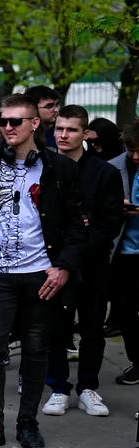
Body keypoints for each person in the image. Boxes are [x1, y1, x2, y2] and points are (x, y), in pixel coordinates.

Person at [0, 94, 85, 448]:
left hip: (42, 275)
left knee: (36, 348)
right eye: (3, 121)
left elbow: (77, 225)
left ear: (34, 124)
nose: (8, 127)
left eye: (16, 121)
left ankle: (27, 423)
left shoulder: (60, 168)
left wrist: (63, 267)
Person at [41, 105, 124, 417]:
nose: (63, 135)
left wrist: (73, 254)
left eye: (71, 129)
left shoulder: (105, 173)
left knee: (92, 327)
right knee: (55, 327)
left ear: (86, 133)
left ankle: (88, 387)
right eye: (59, 129)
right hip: (51, 262)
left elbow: (109, 223)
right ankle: (58, 388)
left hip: (92, 263)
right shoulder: (44, 168)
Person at [107, 119, 139, 386]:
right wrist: (117, 208)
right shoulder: (113, 167)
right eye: (131, 150)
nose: (135, 156)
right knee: (126, 313)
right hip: (123, 252)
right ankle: (137, 361)